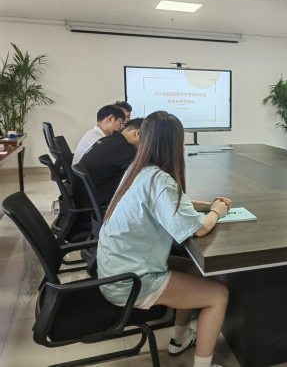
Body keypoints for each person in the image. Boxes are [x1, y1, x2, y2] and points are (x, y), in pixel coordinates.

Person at [97, 111, 231, 367]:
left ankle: (181, 338)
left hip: (116, 269)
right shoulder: (160, 180)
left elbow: (171, 202)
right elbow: (199, 229)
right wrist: (216, 212)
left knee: (196, 269)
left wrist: (208, 204)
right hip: (131, 280)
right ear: (174, 144)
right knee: (218, 295)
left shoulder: (139, 170)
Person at [72, 118, 143, 209]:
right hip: (97, 209)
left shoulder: (109, 140)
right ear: (138, 133)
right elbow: (144, 174)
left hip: (86, 204)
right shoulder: (123, 148)